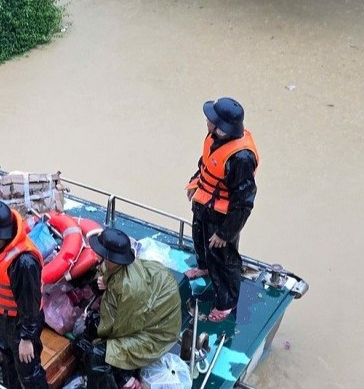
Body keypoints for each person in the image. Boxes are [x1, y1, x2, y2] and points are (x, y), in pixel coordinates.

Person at [77, 228, 181, 389]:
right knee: (80, 344)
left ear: (110, 258)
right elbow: (104, 276)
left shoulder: (130, 289)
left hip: (154, 334)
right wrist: (103, 284)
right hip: (142, 318)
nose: (97, 255)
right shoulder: (115, 266)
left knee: (97, 355)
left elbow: (120, 331)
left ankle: (123, 378)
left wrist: (93, 321)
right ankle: (123, 377)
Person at [185, 97, 258, 322]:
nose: (207, 122)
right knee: (199, 237)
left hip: (223, 215)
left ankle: (226, 303)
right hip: (204, 204)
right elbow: (205, 164)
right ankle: (204, 267)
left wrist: (226, 233)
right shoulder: (213, 138)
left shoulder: (241, 158)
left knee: (224, 258)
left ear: (224, 128)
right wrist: (195, 183)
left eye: (211, 120)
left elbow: (244, 202)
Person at [0, 200, 48, 389]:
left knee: (29, 371)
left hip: (20, 324)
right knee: (8, 360)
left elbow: (30, 305)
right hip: (3, 320)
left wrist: (27, 338)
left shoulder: (23, 263)